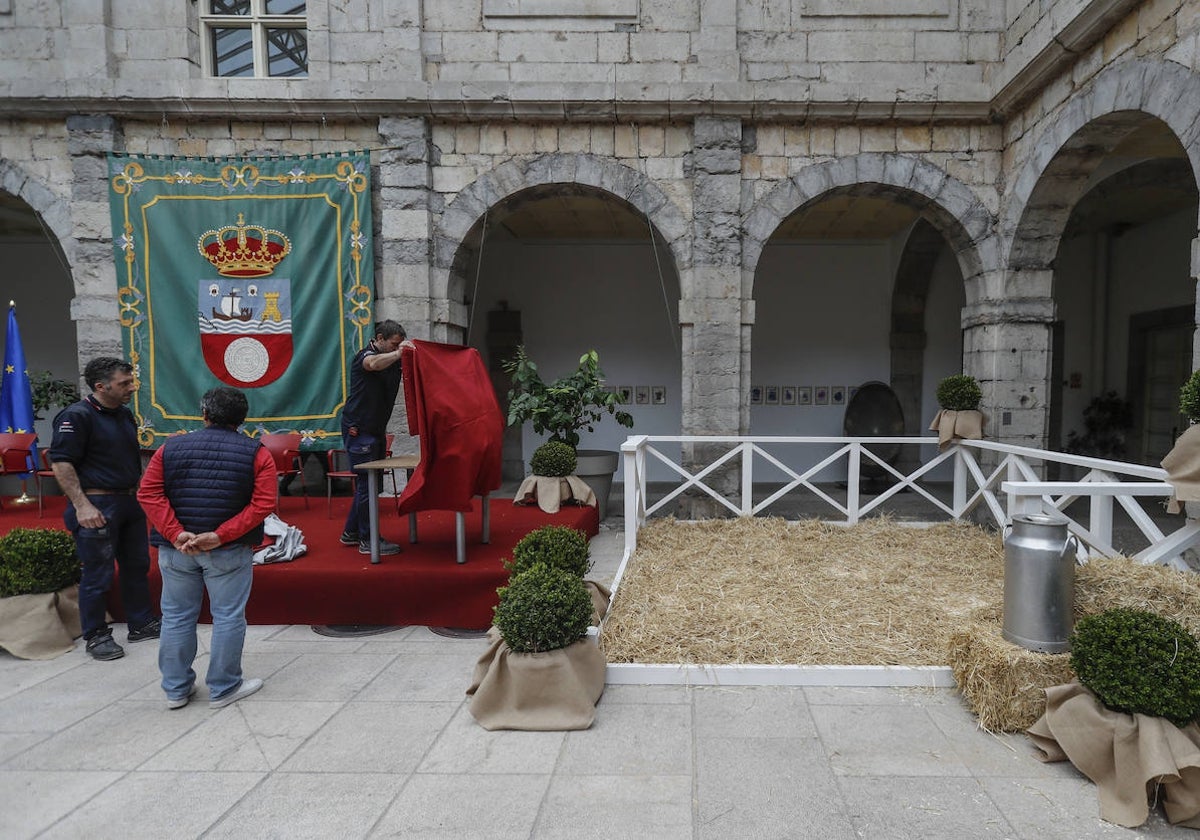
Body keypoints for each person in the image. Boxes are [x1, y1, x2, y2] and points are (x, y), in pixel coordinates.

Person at [137, 386, 276, 710]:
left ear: (204, 414)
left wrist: (176, 533)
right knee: (227, 616)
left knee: (175, 617)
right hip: (227, 550)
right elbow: (264, 503)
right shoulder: (257, 453)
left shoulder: (170, 448)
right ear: (243, 418)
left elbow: (149, 493)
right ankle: (224, 687)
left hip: (177, 550)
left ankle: (175, 689)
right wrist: (220, 536)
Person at [50, 357, 160, 662]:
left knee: (137, 565)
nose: (132, 387)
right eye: (124, 383)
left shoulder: (124, 415)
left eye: (132, 381)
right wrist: (82, 505)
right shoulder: (77, 416)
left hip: (128, 501)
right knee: (97, 573)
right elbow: (61, 463)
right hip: (96, 504)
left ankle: (141, 623)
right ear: (101, 386)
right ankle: (96, 635)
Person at [339, 319, 413, 555]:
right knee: (366, 484)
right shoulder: (366, 356)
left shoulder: (391, 358)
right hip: (359, 430)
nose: (396, 349)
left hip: (375, 429)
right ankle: (368, 540)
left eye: (399, 345)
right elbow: (373, 364)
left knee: (371, 483)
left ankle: (351, 532)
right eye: (393, 344)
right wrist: (399, 354)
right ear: (379, 339)